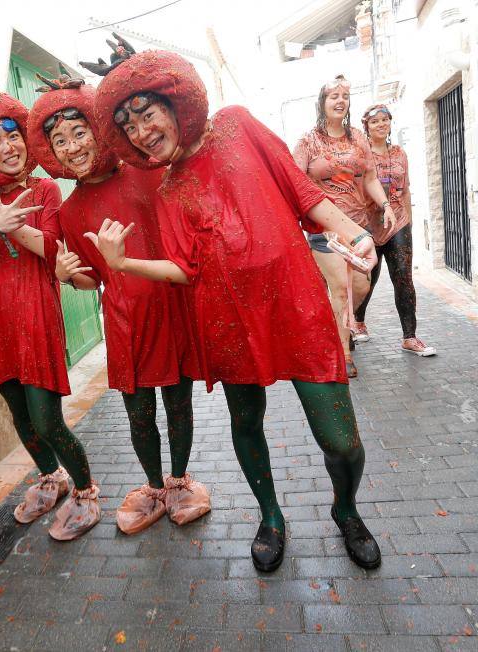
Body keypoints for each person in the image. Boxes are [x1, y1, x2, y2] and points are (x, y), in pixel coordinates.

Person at [85, 39, 382, 571]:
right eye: (129, 127)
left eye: (148, 115)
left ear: (175, 104)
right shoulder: (168, 190)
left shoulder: (237, 123)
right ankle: (270, 515)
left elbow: (301, 192)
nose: (142, 132)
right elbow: (182, 268)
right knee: (246, 423)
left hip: (296, 306)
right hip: (228, 322)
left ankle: (346, 509)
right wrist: (121, 263)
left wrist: (354, 232)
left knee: (342, 440)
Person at [26, 72, 209, 535]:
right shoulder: (69, 211)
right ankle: (152, 484)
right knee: (138, 412)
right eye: (60, 140)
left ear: (98, 129)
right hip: (124, 321)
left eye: (79, 132)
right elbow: (93, 279)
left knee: (179, 404)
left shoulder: (150, 171)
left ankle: (180, 479)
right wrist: (69, 276)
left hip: (172, 308)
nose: (71, 146)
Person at [0, 84, 100, 541]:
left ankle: (87, 491)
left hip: (35, 310)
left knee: (48, 417)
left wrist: (5, 225)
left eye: (12, 135)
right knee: (19, 415)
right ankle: (49, 477)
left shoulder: (45, 189)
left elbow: (53, 249)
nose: (7, 146)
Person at [293, 75, 397, 377]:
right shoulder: (307, 141)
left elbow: (370, 178)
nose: (340, 101)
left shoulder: (357, 139)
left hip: (358, 229)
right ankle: (343, 353)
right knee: (341, 287)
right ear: (322, 103)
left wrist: (386, 205)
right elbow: (295, 183)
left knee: (361, 285)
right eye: (333, 96)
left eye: (344, 96)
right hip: (323, 230)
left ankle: (335, 325)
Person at [354, 104, 436, 356]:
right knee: (368, 278)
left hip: (398, 221)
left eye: (385, 119)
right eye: (375, 121)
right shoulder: (360, 154)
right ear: (366, 125)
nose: (381, 124)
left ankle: (409, 337)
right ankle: (357, 322)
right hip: (368, 224)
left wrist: (408, 218)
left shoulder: (400, 153)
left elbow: (406, 188)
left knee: (403, 278)